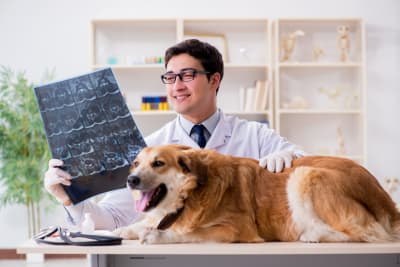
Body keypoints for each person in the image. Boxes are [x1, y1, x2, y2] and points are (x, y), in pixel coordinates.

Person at [44, 39, 304, 230]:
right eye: (169, 77)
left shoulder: (254, 135)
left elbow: (309, 168)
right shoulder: (149, 149)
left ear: (214, 80)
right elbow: (112, 218)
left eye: (187, 75)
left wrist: (290, 157)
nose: (177, 86)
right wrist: (69, 200)